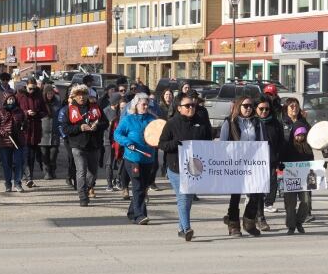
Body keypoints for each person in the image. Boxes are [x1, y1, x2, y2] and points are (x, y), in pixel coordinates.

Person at [157, 93, 209, 241]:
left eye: (193, 105)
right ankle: (187, 228)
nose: (191, 108)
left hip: (194, 168)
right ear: (179, 108)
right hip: (176, 167)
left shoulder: (201, 122)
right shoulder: (172, 123)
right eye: (187, 106)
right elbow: (162, 144)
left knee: (188, 198)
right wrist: (175, 143)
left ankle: (181, 228)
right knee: (183, 197)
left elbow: (208, 141)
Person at [220, 95, 266, 237]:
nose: (248, 108)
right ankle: (233, 224)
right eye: (245, 106)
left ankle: (249, 221)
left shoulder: (257, 123)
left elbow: (262, 142)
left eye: (250, 106)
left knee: (256, 193)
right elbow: (222, 143)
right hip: (235, 163)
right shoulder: (230, 122)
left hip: (254, 163)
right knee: (236, 195)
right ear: (239, 106)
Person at [61, 84, 107, 206]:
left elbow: (106, 123)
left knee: (93, 173)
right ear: (74, 96)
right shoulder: (69, 110)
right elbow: (65, 129)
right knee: (81, 171)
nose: (81, 97)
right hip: (78, 145)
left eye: (84, 94)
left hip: (94, 145)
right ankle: (82, 196)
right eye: (78, 95)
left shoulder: (95, 107)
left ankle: (87, 188)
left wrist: (97, 126)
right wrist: (80, 127)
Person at [114, 93, 156, 225]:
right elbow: (117, 134)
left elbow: (159, 133)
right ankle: (140, 215)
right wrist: (127, 142)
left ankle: (132, 212)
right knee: (137, 186)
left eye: (147, 104)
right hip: (133, 158)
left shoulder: (152, 119)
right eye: (143, 104)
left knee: (143, 187)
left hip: (148, 159)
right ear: (136, 105)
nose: (145, 106)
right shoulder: (128, 119)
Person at [255, 94, 284, 231]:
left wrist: (279, 160)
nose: (264, 112)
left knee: (268, 189)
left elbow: (280, 143)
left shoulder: (275, 123)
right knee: (257, 192)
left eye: (266, 109)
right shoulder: (252, 123)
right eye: (261, 109)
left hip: (270, 161)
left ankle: (257, 215)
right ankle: (259, 217)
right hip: (253, 164)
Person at [280, 122, 315, 234]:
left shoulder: (308, 147)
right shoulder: (287, 146)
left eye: (303, 135)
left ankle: (299, 222)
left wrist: (320, 167)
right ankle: (291, 226)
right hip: (291, 178)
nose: (300, 137)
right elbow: (281, 159)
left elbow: (312, 163)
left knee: (306, 201)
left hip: (304, 179)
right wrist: (281, 165)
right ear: (293, 135)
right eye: (298, 135)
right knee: (290, 203)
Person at [0, 90, 26, 193]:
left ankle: (18, 183)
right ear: (5, 100)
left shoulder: (19, 111)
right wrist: (3, 133)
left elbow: (25, 123)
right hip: (4, 143)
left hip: (18, 141)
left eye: (13, 99)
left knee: (18, 163)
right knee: (7, 164)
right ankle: (7, 183)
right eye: (9, 99)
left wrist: (24, 126)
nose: (11, 101)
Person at [17, 77, 46, 188]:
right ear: (26, 87)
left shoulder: (39, 96)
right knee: (25, 155)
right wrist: (25, 112)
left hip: (35, 130)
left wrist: (37, 113)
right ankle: (26, 177)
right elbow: (16, 111)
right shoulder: (20, 95)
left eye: (33, 88)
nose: (31, 91)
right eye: (30, 88)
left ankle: (30, 178)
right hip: (23, 130)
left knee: (32, 157)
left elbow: (44, 111)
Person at [39, 84, 62, 180]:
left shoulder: (57, 103)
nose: (50, 95)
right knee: (45, 156)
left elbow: (60, 116)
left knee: (53, 155)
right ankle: (47, 172)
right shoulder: (41, 104)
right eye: (48, 93)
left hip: (54, 133)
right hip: (43, 133)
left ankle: (53, 170)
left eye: (51, 93)